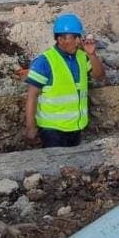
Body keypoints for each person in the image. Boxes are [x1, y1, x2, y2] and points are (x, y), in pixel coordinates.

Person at [24, 13, 106, 148]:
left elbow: (100, 77)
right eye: (74, 37)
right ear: (60, 39)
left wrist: (92, 55)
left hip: (76, 126)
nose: (79, 41)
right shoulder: (45, 61)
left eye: (79, 36)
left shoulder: (81, 57)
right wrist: (30, 127)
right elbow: (32, 96)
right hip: (52, 130)